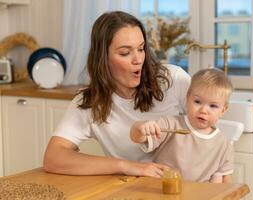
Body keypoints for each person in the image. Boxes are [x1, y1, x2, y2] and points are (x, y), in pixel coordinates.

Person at [43, 11, 190, 178]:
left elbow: (211, 133)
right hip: (129, 189)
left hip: (180, 184)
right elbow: (53, 158)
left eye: (141, 49)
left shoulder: (174, 80)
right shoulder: (90, 101)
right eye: (125, 53)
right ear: (103, 58)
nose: (138, 60)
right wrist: (126, 166)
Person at [130, 68, 234, 183]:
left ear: (223, 110)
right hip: (163, 190)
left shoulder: (223, 144)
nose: (204, 110)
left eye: (213, 106)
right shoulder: (170, 124)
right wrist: (139, 127)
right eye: (198, 102)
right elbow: (137, 137)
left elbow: (220, 179)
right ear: (187, 98)